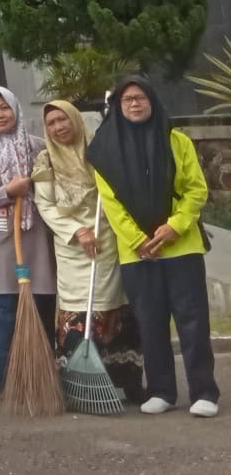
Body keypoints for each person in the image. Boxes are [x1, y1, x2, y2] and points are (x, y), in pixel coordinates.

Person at [90, 75, 220, 418]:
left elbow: (196, 190)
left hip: (182, 248)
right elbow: (111, 204)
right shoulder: (104, 152)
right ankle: (161, 389)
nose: (134, 103)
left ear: (153, 101)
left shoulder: (176, 141)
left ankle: (204, 391)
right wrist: (137, 239)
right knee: (150, 322)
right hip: (138, 253)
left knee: (192, 321)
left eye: (140, 98)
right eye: (127, 99)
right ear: (118, 107)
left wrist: (174, 226)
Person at [32, 100, 145, 404]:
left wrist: (102, 225)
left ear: (75, 120)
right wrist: (76, 231)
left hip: (106, 239)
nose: (58, 127)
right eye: (52, 123)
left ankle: (127, 382)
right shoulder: (46, 161)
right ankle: (77, 387)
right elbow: (45, 205)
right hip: (71, 248)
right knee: (77, 311)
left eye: (63, 119)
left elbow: (117, 192)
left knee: (113, 305)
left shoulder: (98, 152)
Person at [0, 86, 57, 403]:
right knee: (1, 316)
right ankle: (5, 384)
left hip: (35, 241)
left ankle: (40, 379)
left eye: (4, 108)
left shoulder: (37, 148)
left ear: (16, 108)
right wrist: (9, 190)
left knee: (41, 310)